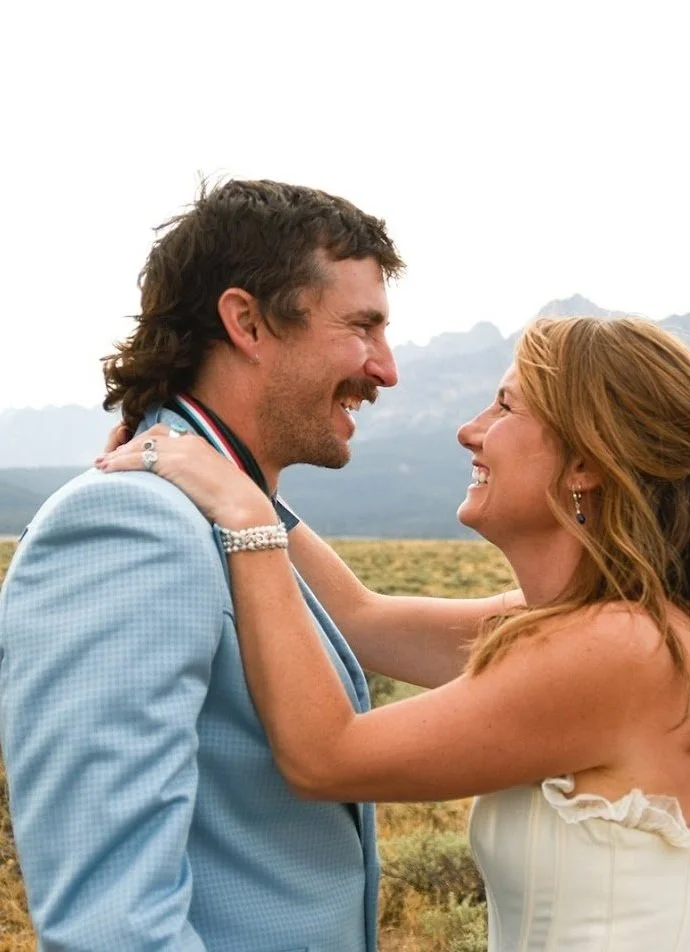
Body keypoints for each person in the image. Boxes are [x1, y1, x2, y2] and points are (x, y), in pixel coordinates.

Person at [98, 315, 690, 951]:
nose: (470, 431)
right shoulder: (605, 630)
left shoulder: (622, 650)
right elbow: (361, 621)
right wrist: (222, 466)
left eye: (505, 407)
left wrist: (244, 519)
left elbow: (325, 756)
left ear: (586, 460)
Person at [0, 179, 518, 952]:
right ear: (246, 321)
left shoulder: (232, 521)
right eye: (363, 327)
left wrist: (244, 502)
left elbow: (366, 620)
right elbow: (113, 926)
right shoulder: (129, 522)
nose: (387, 369)